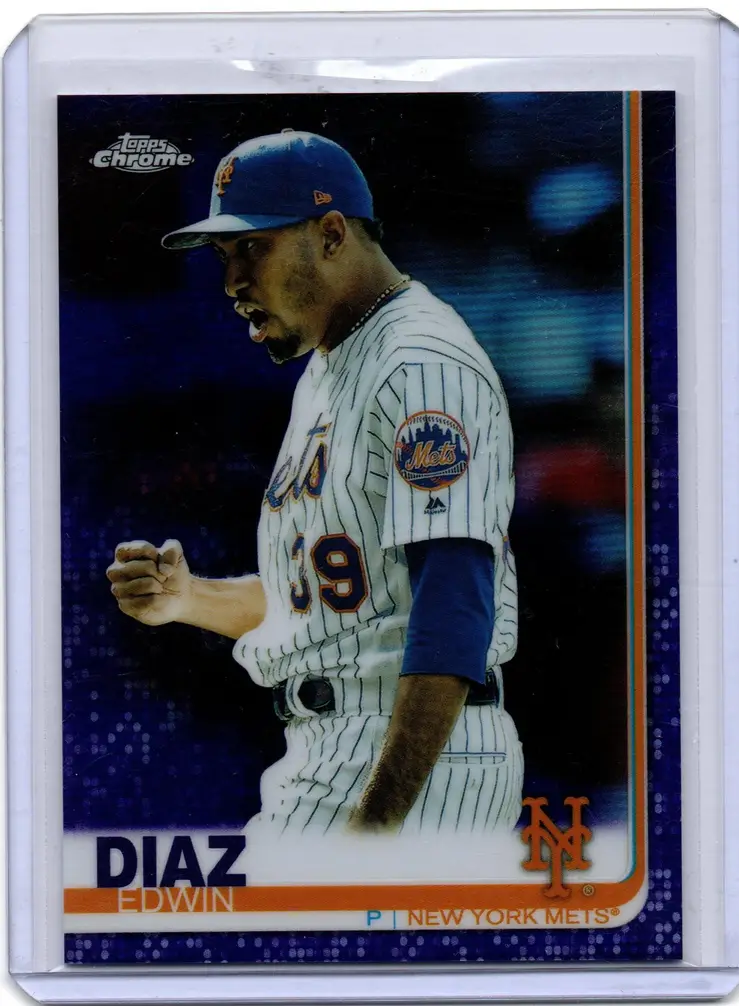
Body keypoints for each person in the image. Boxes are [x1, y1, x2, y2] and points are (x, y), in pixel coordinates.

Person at [107, 130, 522, 836]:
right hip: (337, 747)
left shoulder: (418, 362)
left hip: (405, 758)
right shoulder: (334, 364)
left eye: (252, 248)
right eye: (224, 255)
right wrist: (189, 598)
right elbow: (343, 609)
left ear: (332, 234)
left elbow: (455, 605)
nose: (233, 282)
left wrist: (375, 831)